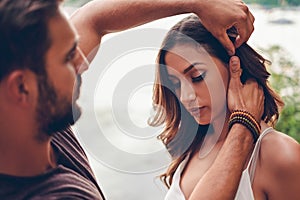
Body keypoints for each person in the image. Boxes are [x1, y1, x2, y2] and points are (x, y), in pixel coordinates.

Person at [0, 0, 261, 199]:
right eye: (68, 57)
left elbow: (94, 19)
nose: (83, 61)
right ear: (22, 87)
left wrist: (199, 4)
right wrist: (243, 125)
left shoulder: (32, 119)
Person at [150, 14, 300, 200]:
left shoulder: (280, 155)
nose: (185, 96)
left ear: (234, 66)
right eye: (176, 84)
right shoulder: (194, 144)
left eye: (197, 77)